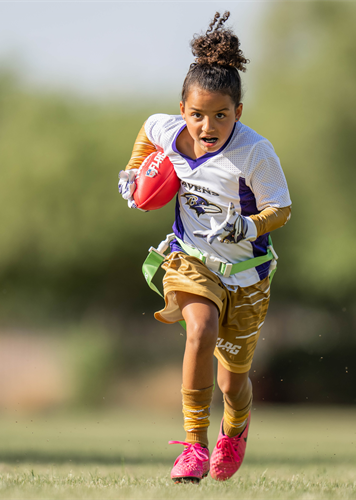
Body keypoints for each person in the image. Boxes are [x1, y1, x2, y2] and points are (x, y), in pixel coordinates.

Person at [116, 11, 292, 484]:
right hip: (191, 258)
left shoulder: (255, 153)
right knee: (200, 326)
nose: (207, 125)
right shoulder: (168, 131)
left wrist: (247, 226)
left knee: (231, 382)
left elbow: (282, 210)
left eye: (221, 115)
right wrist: (134, 172)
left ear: (239, 112)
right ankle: (193, 445)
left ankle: (234, 430)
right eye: (196, 114)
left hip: (249, 274)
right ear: (183, 107)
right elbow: (146, 132)